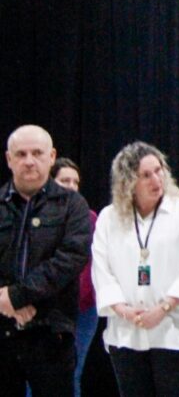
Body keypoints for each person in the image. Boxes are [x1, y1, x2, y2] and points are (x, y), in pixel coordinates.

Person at [91, 142, 179, 397]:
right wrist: (122, 309)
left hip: (175, 330)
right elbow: (101, 269)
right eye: (145, 175)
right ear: (128, 183)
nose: (156, 179)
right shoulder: (109, 218)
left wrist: (164, 307)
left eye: (158, 170)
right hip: (126, 331)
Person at [0, 125, 91, 397]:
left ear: (51, 157)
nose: (29, 161)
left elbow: (70, 259)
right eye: (21, 154)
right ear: (9, 159)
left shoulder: (73, 205)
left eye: (37, 153)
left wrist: (16, 296)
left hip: (51, 333)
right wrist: (4, 299)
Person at [51, 158, 99, 397]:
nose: (71, 186)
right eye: (64, 180)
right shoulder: (39, 215)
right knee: (39, 373)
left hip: (84, 309)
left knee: (73, 372)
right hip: (48, 308)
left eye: (75, 182)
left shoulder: (90, 218)